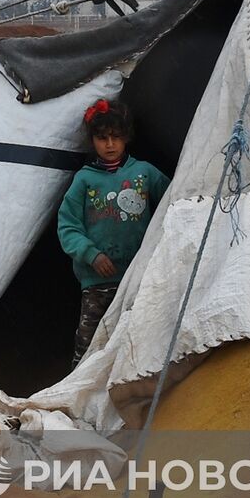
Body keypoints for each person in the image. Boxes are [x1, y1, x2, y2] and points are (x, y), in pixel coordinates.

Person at [57, 99, 170, 366]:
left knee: (136, 339)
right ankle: (76, 390)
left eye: (116, 137)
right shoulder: (84, 180)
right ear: (92, 140)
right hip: (97, 282)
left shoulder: (144, 173)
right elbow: (67, 225)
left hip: (138, 278)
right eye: (102, 138)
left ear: (126, 137)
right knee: (88, 344)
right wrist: (91, 254)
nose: (110, 144)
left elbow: (174, 201)